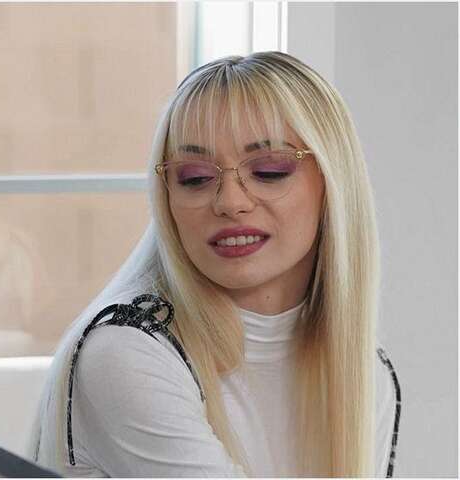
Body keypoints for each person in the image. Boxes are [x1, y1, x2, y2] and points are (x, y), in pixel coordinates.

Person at [26, 51, 401, 477]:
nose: (230, 202)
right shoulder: (127, 352)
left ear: (334, 182)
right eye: (196, 178)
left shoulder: (366, 376)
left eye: (269, 170)